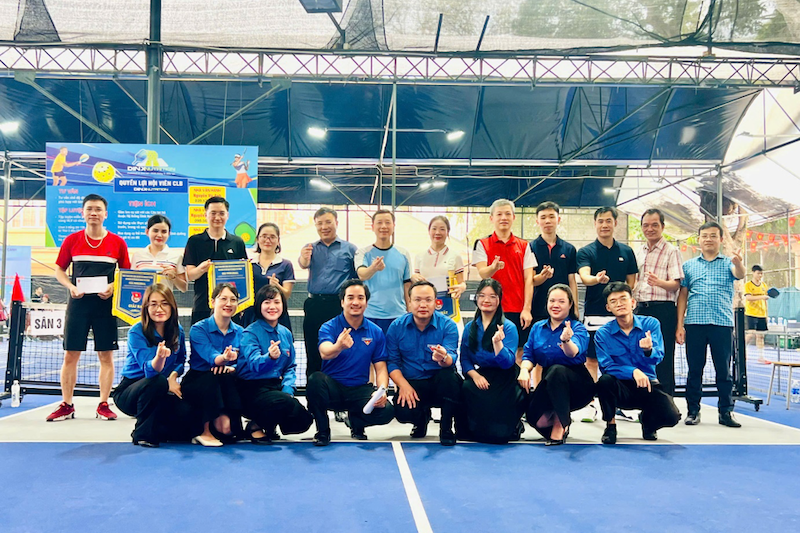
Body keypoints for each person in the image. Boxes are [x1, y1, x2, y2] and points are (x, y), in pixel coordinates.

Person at [47, 194, 131, 422]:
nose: (94, 213)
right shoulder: (72, 240)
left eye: (98, 209)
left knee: (106, 355)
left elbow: (126, 274)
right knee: (70, 354)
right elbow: (59, 270)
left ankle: (103, 404)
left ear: (105, 214)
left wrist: (113, 287)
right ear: (83, 213)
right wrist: (70, 287)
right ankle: (66, 404)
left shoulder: (118, 242)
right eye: (90, 209)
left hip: (105, 307)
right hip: (78, 305)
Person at [306, 279, 395, 446]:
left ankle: (356, 422)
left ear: (366, 302)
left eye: (360, 298)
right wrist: (338, 346)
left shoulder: (375, 332)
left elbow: (381, 368)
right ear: (342, 302)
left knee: (387, 411)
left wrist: (382, 390)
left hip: (359, 389)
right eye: (350, 297)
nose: (355, 302)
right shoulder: (329, 327)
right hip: (333, 388)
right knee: (315, 380)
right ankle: (323, 431)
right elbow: (324, 352)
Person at [677, 221, 746, 428]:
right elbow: (682, 296)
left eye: (713, 235)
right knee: (694, 370)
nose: (708, 239)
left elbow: (740, 274)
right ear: (698, 240)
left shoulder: (728, 263)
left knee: (723, 371)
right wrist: (680, 325)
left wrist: (739, 263)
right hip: (695, 324)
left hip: (721, 324)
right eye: (705, 236)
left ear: (721, 239)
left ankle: (726, 412)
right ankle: (693, 411)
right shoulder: (689, 266)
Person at [595, 282, 681, 444]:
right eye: (613, 301)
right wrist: (633, 371)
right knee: (604, 381)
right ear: (608, 308)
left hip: (647, 384)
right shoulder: (603, 334)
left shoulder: (651, 324)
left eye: (623, 299)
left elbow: (658, 357)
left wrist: (648, 350)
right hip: (620, 386)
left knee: (672, 416)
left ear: (633, 302)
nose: (619, 304)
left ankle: (648, 423)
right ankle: (610, 426)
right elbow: (606, 366)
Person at [113, 284, 197, 447]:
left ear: (172, 306)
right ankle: (142, 434)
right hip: (132, 390)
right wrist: (159, 358)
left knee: (186, 418)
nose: (159, 309)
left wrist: (172, 377)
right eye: (153, 304)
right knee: (156, 381)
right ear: (146, 308)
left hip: (162, 386)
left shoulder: (177, 330)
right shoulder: (136, 332)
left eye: (164, 303)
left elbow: (181, 360)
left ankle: (159, 428)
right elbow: (150, 371)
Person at [387, 281, 461, 446]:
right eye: (417, 300)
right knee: (402, 411)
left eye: (428, 300)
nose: (423, 305)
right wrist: (403, 386)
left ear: (436, 302)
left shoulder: (448, 325)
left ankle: (446, 427)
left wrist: (443, 358)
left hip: (439, 381)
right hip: (413, 382)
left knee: (450, 379)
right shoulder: (396, 327)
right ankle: (421, 419)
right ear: (409, 302)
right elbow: (392, 363)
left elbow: (452, 358)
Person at [518, 284, 593, 445]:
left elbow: (573, 352)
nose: (555, 305)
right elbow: (529, 354)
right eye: (552, 301)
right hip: (549, 382)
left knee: (557, 370)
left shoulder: (577, 328)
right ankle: (562, 419)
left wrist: (566, 340)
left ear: (570, 304)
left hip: (577, 384)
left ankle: (560, 424)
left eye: (561, 301)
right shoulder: (537, 327)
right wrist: (524, 370)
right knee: (536, 419)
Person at [238, 285, 312, 444]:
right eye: (267, 302)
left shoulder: (285, 333)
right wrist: (270, 357)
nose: (272, 307)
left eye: (277, 302)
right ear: (259, 305)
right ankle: (254, 426)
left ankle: (269, 423)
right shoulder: (249, 333)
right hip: (251, 388)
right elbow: (254, 364)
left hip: (275, 387)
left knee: (304, 420)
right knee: (283, 402)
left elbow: (290, 367)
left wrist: (287, 389)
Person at [459, 279, 526, 444]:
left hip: (505, 376)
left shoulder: (508, 327)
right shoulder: (470, 328)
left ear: (499, 299)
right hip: (482, 374)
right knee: (467, 387)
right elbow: (465, 359)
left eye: (492, 296)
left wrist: (498, 344)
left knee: (498, 436)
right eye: (482, 295)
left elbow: (508, 362)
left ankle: (515, 425)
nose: (486, 300)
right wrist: (475, 376)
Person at [577, 206, 638, 383]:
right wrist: (596, 279)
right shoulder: (586, 252)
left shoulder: (626, 251)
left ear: (615, 223)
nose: (605, 225)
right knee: (592, 359)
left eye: (608, 221)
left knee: (619, 358)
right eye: (601, 221)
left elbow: (631, 282)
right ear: (595, 224)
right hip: (594, 314)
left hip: (620, 316)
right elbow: (585, 277)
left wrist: (620, 301)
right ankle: (590, 397)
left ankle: (616, 397)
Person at [473, 199, 536, 361]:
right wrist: (493, 267)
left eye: (508, 214)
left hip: (517, 308)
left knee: (520, 352)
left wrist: (527, 309)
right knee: (491, 349)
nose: (503, 218)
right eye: (499, 214)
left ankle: (519, 378)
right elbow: (483, 273)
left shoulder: (524, 245)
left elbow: (529, 279)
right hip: (492, 309)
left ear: (513, 217)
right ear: (491, 218)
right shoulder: (482, 244)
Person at [298, 207, 357, 379]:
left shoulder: (350, 249)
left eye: (328, 222)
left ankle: (340, 386)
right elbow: (302, 264)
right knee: (313, 348)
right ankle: (313, 387)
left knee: (340, 347)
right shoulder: (310, 248)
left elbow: (358, 278)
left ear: (336, 223)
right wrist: (304, 257)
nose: (324, 227)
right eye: (320, 223)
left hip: (339, 306)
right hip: (314, 305)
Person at [183, 283, 244, 446]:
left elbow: (245, 363)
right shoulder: (198, 329)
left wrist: (232, 367)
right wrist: (224, 357)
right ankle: (204, 432)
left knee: (228, 431)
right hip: (200, 379)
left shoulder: (241, 332)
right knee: (211, 377)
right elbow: (210, 356)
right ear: (212, 302)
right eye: (223, 299)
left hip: (226, 380)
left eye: (233, 300)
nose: (228, 303)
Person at [632, 208, 683, 395]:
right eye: (646, 225)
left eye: (654, 225)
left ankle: (666, 400)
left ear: (662, 226)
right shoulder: (638, 252)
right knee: (640, 355)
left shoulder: (672, 251)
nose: (650, 229)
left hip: (663, 310)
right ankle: (644, 401)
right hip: (640, 310)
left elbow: (676, 284)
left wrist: (659, 282)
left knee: (663, 357)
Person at [183, 196, 248, 324]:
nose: (217, 217)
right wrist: (201, 269)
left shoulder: (237, 242)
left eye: (221, 213)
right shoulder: (194, 241)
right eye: (213, 213)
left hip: (230, 308)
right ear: (205, 215)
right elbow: (189, 275)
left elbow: (242, 277)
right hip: (202, 306)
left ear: (227, 215)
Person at [356, 209, 413, 334]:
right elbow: (362, 275)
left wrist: (409, 310)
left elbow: (407, 284)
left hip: (398, 315)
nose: (383, 226)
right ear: (373, 227)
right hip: (370, 315)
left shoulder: (403, 253)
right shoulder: (363, 252)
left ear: (393, 226)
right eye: (379, 223)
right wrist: (373, 268)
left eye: (387, 222)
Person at [413, 215, 467, 333]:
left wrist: (461, 287)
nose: (438, 232)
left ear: (448, 232)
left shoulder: (455, 256)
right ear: (429, 231)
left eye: (442, 229)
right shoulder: (419, 257)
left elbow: (462, 283)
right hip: (425, 308)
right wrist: (413, 277)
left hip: (450, 308)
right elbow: (415, 284)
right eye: (434, 228)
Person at [530, 202, 578, 323]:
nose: (547, 221)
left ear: (558, 219)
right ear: (537, 221)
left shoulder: (569, 249)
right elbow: (530, 281)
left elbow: (572, 280)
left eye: (551, 217)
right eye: (543, 217)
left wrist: (575, 308)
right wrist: (543, 276)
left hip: (563, 309)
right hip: (538, 308)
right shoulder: (529, 248)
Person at [243, 222, 295, 330]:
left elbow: (286, 295)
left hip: (275, 314)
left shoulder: (285, 264)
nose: (268, 240)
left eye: (272, 237)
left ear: (278, 240)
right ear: (258, 239)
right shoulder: (248, 264)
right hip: (252, 315)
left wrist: (277, 286)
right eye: (264, 236)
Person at [131, 214, 188, 293]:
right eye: (155, 231)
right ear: (147, 232)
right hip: (143, 300)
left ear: (168, 234)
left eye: (164, 231)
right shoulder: (137, 255)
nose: (159, 235)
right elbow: (131, 283)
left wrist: (174, 277)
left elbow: (184, 288)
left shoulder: (176, 256)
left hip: (165, 299)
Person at [744, 264, 770, 362]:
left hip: (762, 314)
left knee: (761, 336)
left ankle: (761, 356)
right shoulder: (748, 285)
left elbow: (765, 301)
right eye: (758, 273)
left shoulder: (764, 286)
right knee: (750, 334)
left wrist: (766, 314)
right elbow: (748, 298)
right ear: (753, 273)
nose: (760, 275)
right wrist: (762, 297)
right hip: (751, 313)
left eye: (761, 274)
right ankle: (742, 352)